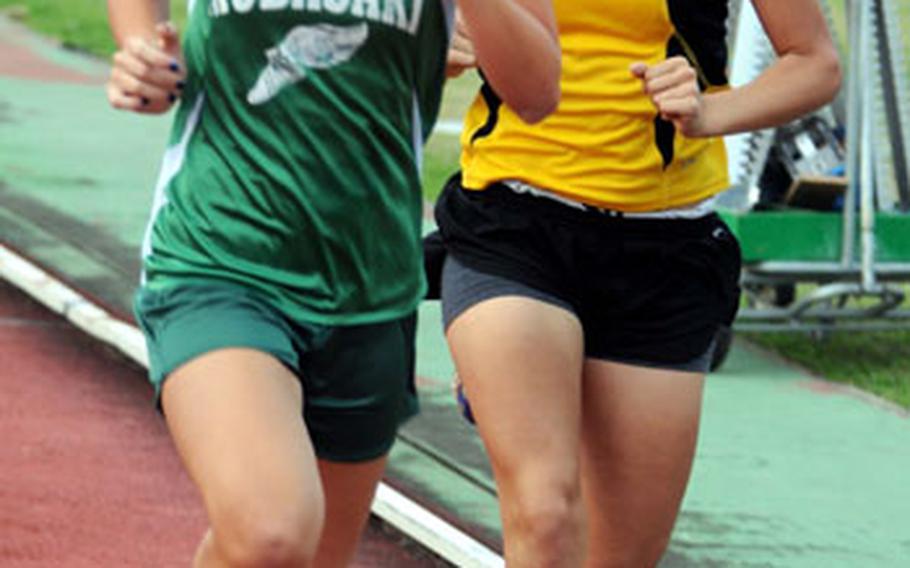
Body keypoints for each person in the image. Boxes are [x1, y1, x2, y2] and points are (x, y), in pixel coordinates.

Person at [106, 0, 559, 566]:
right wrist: (142, 48)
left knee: (314, 553)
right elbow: (143, 31)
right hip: (218, 256)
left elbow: (538, 92)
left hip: (369, 286)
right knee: (270, 533)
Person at [433, 2, 842, 566]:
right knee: (545, 518)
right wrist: (434, 49)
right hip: (516, 223)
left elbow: (815, 62)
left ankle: (518, 380)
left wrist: (708, 111)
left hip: (665, 252)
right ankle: (506, 373)